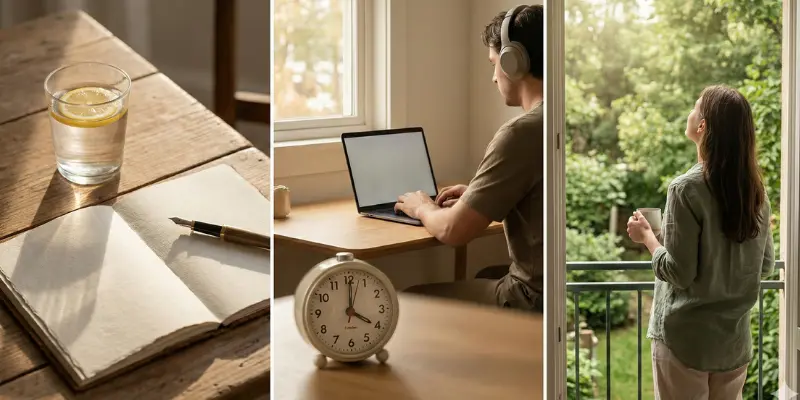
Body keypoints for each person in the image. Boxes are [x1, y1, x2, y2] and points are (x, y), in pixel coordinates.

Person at [393, 5, 544, 312]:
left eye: (494, 64)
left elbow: (453, 231)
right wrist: (480, 197)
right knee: (485, 275)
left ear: (513, 62)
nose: (493, 78)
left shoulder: (521, 133)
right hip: (556, 288)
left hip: (533, 297)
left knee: (409, 299)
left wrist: (423, 207)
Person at [627, 85, 775, 399]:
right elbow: (764, 265)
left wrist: (648, 239)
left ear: (703, 125)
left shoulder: (685, 189)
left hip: (685, 342)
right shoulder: (757, 195)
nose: (690, 113)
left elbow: (679, 272)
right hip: (733, 345)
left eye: (695, 106)